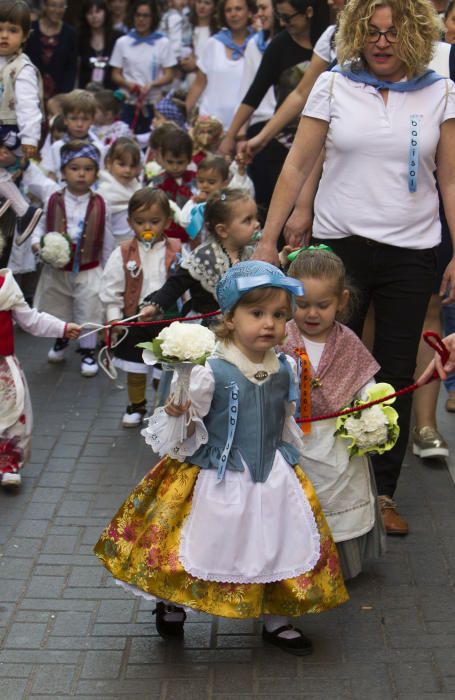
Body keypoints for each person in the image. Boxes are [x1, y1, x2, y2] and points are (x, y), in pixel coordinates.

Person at [256, 0, 455, 536]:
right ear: (354, 34)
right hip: (339, 248)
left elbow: (451, 180)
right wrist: (269, 239)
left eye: (393, 32)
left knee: (389, 376)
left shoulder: (440, 90)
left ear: (413, 34)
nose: (383, 41)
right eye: (372, 31)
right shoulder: (334, 85)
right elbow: (297, 163)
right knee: (319, 372)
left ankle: (382, 492)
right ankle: (319, 487)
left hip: (412, 251)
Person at [95, 260, 348, 654]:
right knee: (197, 539)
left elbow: (284, 421)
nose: (270, 324)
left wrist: (291, 456)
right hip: (217, 471)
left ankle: (277, 617)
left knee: (276, 539)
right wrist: (180, 412)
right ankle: (172, 600)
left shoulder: (285, 366)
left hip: (271, 472)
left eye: (280, 315)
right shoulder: (211, 369)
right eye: (258, 313)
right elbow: (186, 420)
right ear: (229, 319)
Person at [279, 247, 387, 579]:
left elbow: (364, 381)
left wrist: (370, 410)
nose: (312, 313)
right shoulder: (281, 337)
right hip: (293, 437)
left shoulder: (348, 341)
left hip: (336, 441)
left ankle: (336, 565)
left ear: (341, 301)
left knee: (338, 497)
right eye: (303, 305)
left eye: (322, 305)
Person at [219, 0, 330, 211]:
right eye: (279, 16)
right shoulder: (279, 46)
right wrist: (231, 135)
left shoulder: (329, 42)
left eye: (288, 17)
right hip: (283, 142)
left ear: (308, 11)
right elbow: (254, 94)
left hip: (324, 146)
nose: (282, 22)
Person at [31, 140, 114, 377]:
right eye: (75, 168)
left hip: (89, 268)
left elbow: (106, 238)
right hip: (57, 269)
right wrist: (38, 245)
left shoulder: (100, 202)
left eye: (88, 169)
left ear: (96, 173)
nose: (81, 174)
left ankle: (88, 350)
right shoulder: (53, 199)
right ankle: (61, 339)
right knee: (57, 304)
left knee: (89, 307)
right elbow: (41, 225)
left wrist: (108, 269)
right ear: (63, 172)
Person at [100, 188, 182, 427]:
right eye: (139, 222)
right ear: (129, 223)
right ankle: (136, 405)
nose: (147, 228)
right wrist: (115, 319)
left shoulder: (176, 250)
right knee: (135, 368)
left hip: (167, 322)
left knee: (163, 370)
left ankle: (162, 407)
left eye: (154, 222)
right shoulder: (124, 252)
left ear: (167, 222)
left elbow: (185, 283)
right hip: (134, 321)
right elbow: (111, 287)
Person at [0, 267, 80, 488]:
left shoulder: (5, 285)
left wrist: (62, 328)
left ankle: (9, 463)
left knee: (14, 414)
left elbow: (30, 319)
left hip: (2, 367)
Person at [139, 188, 257, 320]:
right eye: (248, 220)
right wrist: (155, 306)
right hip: (207, 327)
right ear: (222, 230)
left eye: (256, 218)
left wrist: (282, 258)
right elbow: (176, 284)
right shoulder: (203, 256)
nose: (257, 224)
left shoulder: (252, 253)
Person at [0, 0, 44, 246]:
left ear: (25, 35)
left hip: (10, 131)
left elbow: (29, 108)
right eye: (0, 28)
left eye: (12, 30)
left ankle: (22, 210)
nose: (4, 35)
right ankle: (20, 209)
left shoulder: (22, 68)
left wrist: (29, 139)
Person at [185, 0, 257, 131]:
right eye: (228, 10)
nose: (233, 14)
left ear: (250, 12)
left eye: (238, 9)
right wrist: (181, 116)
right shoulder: (213, 43)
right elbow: (199, 84)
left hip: (244, 127)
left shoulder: (258, 45)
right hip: (208, 125)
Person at [109, 0, 177, 134]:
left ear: (153, 18)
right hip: (127, 102)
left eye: (146, 16)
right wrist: (128, 84)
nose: (141, 20)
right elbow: (115, 74)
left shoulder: (163, 42)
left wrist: (152, 84)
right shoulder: (122, 42)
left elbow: (169, 75)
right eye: (138, 15)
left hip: (154, 104)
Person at [40, 89, 105, 182]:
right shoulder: (57, 147)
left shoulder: (98, 148)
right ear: (65, 119)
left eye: (85, 119)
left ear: (92, 120)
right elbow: (50, 175)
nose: (79, 124)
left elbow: (100, 178)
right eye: (73, 118)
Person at [25, 0, 77, 103]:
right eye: (53, 6)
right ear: (44, 6)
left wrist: (64, 96)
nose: (57, 10)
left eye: (62, 6)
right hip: (30, 91)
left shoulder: (71, 33)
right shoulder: (31, 29)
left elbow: (71, 68)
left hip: (60, 96)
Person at [150, 128, 195, 242]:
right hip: (165, 239)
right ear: (162, 157)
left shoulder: (196, 180)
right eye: (170, 162)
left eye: (180, 162)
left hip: (192, 238)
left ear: (189, 159)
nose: (175, 167)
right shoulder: (156, 183)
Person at [97, 137, 142, 246]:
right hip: (112, 245)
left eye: (132, 166)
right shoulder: (103, 192)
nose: (128, 170)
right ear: (109, 163)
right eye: (122, 164)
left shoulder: (138, 189)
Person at [78, 0, 122, 90]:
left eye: (98, 12)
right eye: (90, 13)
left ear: (105, 13)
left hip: (112, 93)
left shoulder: (118, 38)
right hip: (86, 94)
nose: (94, 16)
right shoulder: (80, 39)